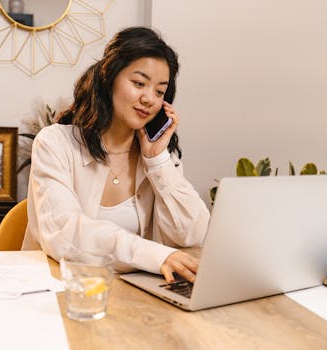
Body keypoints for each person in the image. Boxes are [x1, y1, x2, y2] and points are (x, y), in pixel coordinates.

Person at [22, 27, 209, 283]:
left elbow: (191, 235)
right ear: (109, 78)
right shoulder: (56, 143)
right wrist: (155, 256)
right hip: (59, 294)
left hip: (135, 298)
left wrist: (157, 161)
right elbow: (66, 233)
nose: (148, 99)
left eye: (159, 91)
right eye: (139, 83)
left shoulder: (159, 156)